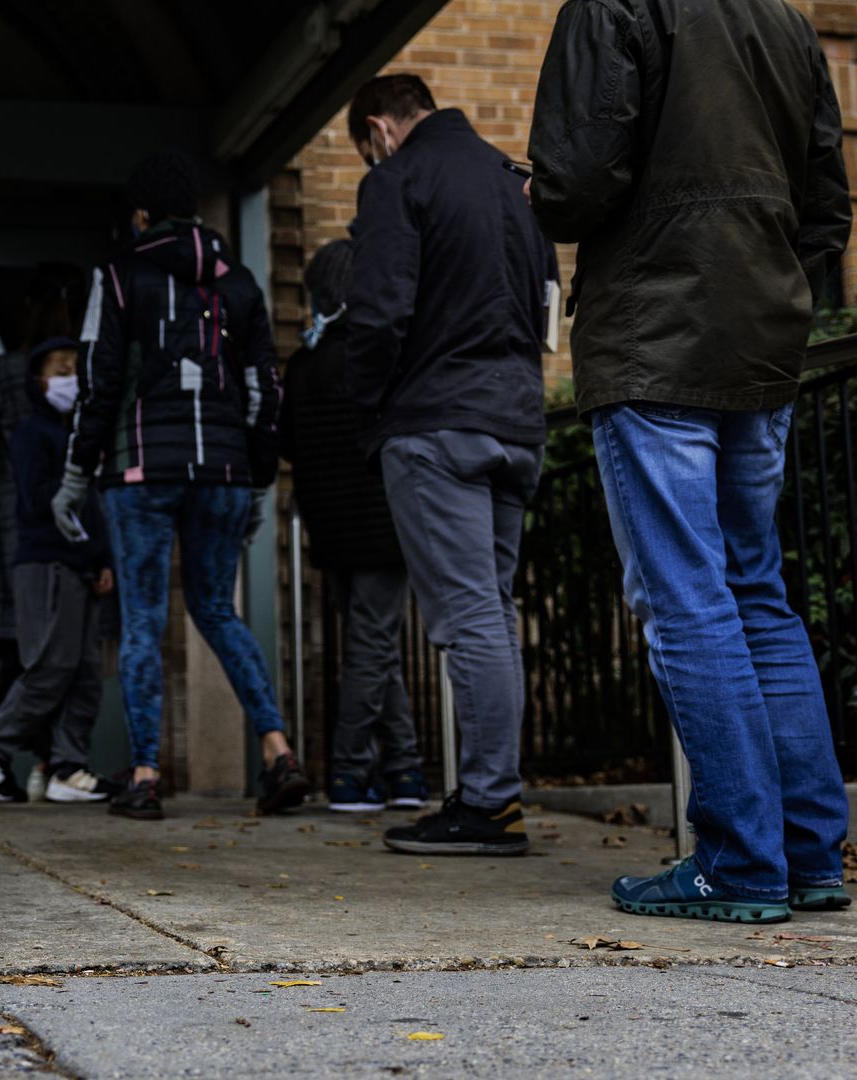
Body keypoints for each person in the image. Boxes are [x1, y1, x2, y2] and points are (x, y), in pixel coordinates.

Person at [528, 0, 852, 922]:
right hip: (759, 335)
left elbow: (579, 180)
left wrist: (540, 194)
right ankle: (806, 856)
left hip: (656, 333)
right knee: (757, 592)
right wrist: (775, 286)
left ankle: (741, 863)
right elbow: (827, 202)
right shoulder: (785, 21)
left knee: (687, 598)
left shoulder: (611, 4)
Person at [53, 151, 306, 821]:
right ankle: (279, 752)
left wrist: (76, 474)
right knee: (217, 610)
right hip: (222, 470)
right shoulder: (243, 284)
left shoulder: (117, 276)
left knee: (142, 620)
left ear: (141, 215)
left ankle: (143, 776)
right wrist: (255, 480)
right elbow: (264, 391)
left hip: (140, 470)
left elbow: (99, 383)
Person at [343, 74, 556, 856]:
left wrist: (368, 407)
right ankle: (490, 794)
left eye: (366, 145)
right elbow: (548, 310)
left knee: (468, 619)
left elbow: (376, 313)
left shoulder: (398, 178)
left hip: (436, 424)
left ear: (380, 128)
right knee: (493, 614)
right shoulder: (517, 182)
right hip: (516, 422)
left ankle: (490, 805)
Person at [278, 238, 425, 812]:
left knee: (374, 646)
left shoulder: (303, 363)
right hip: (384, 527)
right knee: (372, 649)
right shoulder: (381, 356)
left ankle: (407, 771)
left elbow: (289, 442)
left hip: (329, 528)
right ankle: (349, 773)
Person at [0, 338, 122, 804]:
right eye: (61, 369)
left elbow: (91, 508)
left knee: (86, 671)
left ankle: (68, 768)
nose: (70, 377)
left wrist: (100, 559)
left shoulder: (80, 436)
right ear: (38, 380)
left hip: (82, 565)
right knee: (52, 665)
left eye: (76, 369)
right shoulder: (33, 433)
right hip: (48, 562)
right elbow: (43, 500)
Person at [0, 263, 88, 794]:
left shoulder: (2, 371)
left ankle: (55, 764)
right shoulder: (51, 396)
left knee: (40, 650)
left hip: (14, 522)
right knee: (51, 653)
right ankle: (35, 758)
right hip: (45, 525)